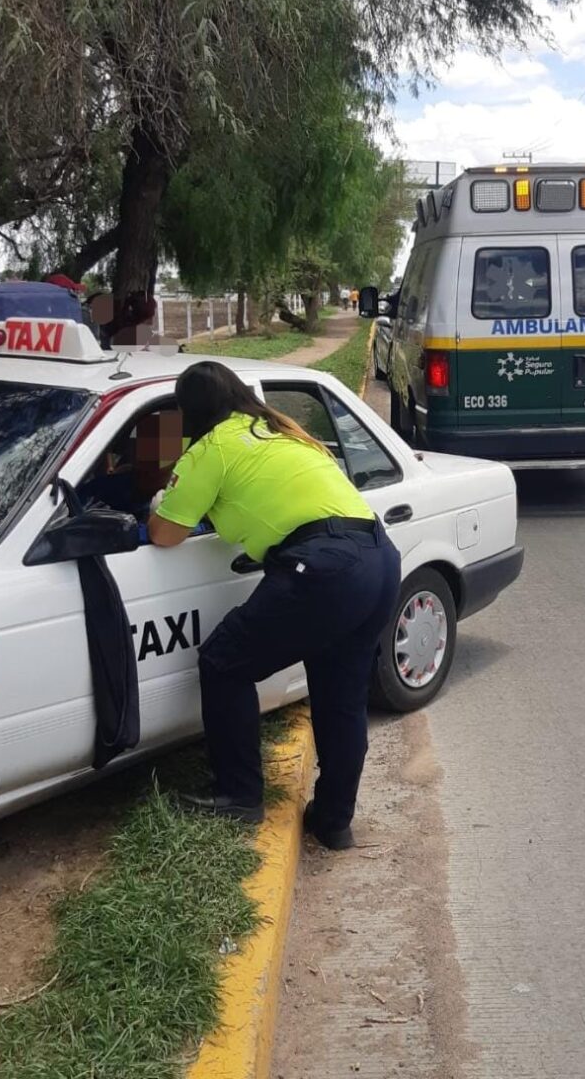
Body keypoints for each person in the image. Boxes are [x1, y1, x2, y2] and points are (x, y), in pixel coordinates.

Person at [148, 361, 401, 849]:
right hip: (378, 557)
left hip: (323, 567)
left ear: (190, 412)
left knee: (224, 662)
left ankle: (238, 796)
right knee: (342, 699)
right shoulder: (279, 430)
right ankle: (333, 823)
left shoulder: (210, 448)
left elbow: (165, 534)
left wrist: (159, 504)